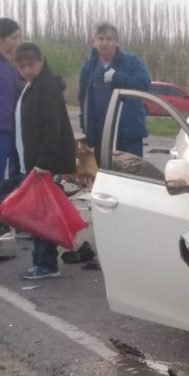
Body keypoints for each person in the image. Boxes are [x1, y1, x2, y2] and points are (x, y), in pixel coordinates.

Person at [12, 42, 77, 280]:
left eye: (31, 65)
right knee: (38, 213)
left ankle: (46, 263)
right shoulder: (29, 86)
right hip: (33, 163)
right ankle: (41, 260)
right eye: (22, 66)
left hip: (44, 165)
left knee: (44, 215)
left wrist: (44, 162)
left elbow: (53, 128)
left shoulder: (46, 87)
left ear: (41, 61)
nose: (27, 70)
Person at [78, 23, 150, 162]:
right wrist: (86, 131)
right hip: (99, 138)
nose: (105, 43)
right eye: (101, 38)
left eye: (109, 39)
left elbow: (144, 83)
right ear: (94, 42)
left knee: (130, 173)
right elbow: (82, 99)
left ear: (116, 42)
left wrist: (117, 77)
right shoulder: (88, 67)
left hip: (128, 138)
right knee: (103, 175)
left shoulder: (131, 62)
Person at [0, 19, 21, 183]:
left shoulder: (20, 62)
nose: (18, 41)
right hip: (2, 128)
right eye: (14, 38)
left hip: (20, 128)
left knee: (19, 173)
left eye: (20, 37)